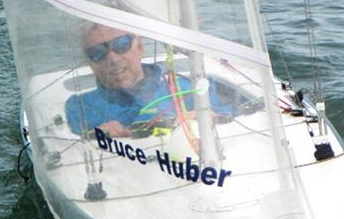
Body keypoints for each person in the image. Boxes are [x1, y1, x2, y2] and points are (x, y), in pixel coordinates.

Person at [65, 23, 231, 137]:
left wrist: (205, 117)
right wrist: (97, 136)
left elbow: (230, 116)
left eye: (120, 44)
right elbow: (75, 147)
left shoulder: (189, 89)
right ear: (90, 63)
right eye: (97, 52)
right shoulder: (80, 107)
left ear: (140, 47)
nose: (113, 59)